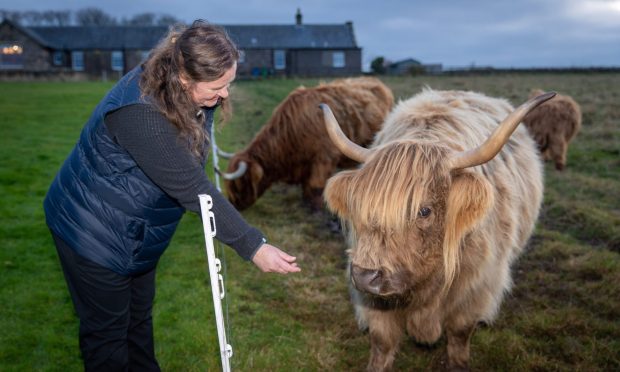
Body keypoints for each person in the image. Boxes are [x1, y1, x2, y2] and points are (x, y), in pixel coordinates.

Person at [44, 20, 301, 371]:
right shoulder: (141, 114)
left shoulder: (177, 87)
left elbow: (188, 158)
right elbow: (192, 189)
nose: (225, 94)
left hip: (135, 230)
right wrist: (253, 245)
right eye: (217, 86)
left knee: (137, 322)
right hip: (91, 229)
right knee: (107, 336)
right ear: (184, 77)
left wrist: (208, 99)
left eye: (229, 83)